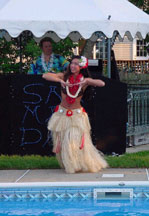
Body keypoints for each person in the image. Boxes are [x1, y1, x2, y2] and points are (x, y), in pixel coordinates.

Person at [42, 55, 108, 173]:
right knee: (62, 142)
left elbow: (101, 83)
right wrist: (60, 80)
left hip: (76, 115)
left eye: (76, 64)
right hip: (62, 114)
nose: (73, 66)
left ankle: (75, 164)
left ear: (81, 67)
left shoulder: (84, 80)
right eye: (72, 63)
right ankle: (71, 164)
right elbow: (45, 75)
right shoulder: (63, 76)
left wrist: (87, 81)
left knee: (72, 141)